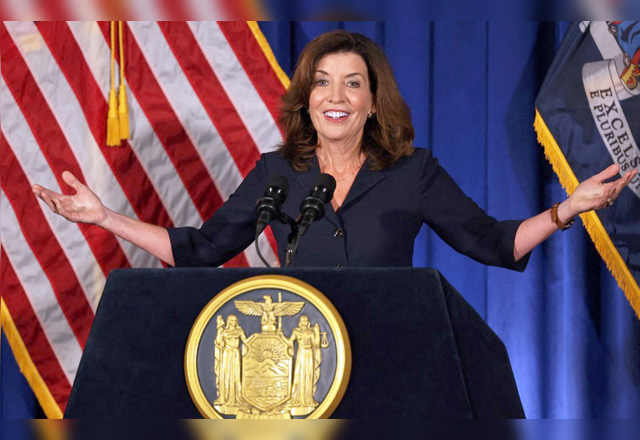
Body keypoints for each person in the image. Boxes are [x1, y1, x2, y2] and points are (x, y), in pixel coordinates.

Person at [32, 30, 638, 269]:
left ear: (373, 102)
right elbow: (201, 249)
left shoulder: (413, 171)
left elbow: (492, 242)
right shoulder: (278, 173)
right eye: (322, 83)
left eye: (352, 84)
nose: (335, 96)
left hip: (390, 364)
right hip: (303, 368)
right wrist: (105, 217)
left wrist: (567, 208)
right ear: (307, 99)